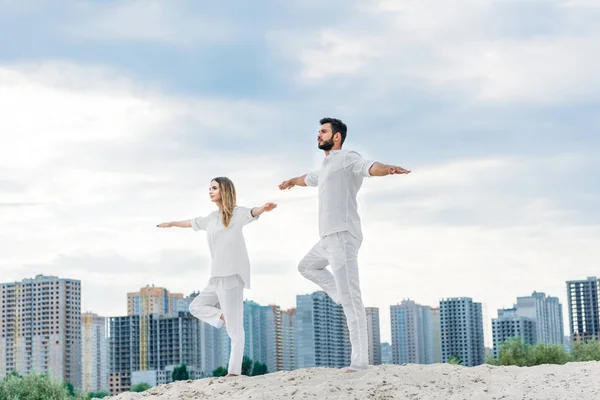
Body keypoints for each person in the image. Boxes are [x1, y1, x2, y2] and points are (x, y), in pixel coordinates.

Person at [279, 117, 410, 372]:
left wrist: (388, 169)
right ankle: (338, 293)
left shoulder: (347, 157)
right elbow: (307, 177)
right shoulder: (326, 166)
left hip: (343, 235)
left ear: (336, 136)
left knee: (353, 302)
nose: (318, 135)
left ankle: (359, 362)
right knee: (306, 266)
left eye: (323, 131)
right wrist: (290, 182)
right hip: (326, 238)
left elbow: (368, 166)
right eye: (318, 131)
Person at [157, 176, 277, 377]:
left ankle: (233, 372)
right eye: (209, 188)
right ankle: (222, 316)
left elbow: (252, 212)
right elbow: (190, 222)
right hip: (215, 277)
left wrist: (264, 208)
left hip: (232, 276)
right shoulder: (211, 218)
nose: (210, 191)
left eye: (214, 188)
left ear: (224, 190)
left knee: (235, 331)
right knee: (195, 306)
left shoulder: (237, 214)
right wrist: (171, 223)